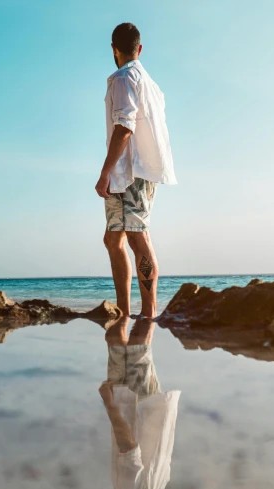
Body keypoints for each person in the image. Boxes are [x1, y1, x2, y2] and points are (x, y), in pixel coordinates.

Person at [95, 23, 177, 319]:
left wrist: (105, 171)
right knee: (113, 238)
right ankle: (123, 312)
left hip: (131, 170)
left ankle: (149, 314)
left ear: (114, 49)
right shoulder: (152, 85)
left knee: (137, 237)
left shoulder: (123, 77)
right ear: (139, 49)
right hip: (130, 170)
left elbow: (125, 126)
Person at [98, 318, 181, 489]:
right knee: (135, 343)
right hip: (134, 406)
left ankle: (129, 301)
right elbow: (129, 448)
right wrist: (109, 405)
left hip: (147, 404)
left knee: (124, 342)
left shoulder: (160, 487)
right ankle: (146, 298)